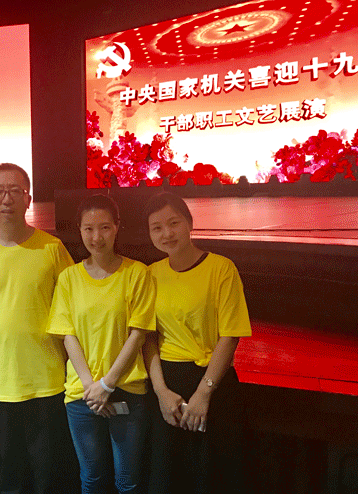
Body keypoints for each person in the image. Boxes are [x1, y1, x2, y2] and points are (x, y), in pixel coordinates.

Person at [0, 163, 75, 494]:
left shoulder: (52, 249)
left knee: (48, 470)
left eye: (15, 191)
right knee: (9, 471)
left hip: (47, 379)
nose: (6, 199)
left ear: (28, 198)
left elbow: (72, 310)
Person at [142, 192, 252, 494]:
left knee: (211, 477)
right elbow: (148, 338)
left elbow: (230, 335)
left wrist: (204, 393)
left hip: (212, 383)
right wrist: (161, 391)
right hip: (168, 386)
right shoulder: (150, 274)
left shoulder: (221, 268)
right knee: (168, 477)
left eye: (173, 223)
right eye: (156, 228)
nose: (167, 233)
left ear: (190, 223)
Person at [47, 194, 155, 494]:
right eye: (88, 229)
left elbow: (138, 334)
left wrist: (107, 385)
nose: (96, 237)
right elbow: (67, 334)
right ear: (80, 230)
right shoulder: (69, 278)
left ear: (117, 227)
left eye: (105, 227)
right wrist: (91, 387)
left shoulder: (137, 273)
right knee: (91, 478)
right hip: (82, 395)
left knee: (127, 481)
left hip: (126, 389)